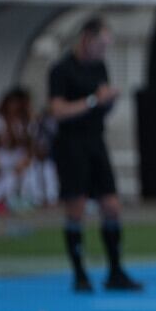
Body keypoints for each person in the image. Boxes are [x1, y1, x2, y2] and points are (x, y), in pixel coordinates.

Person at [48, 18, 142, 293]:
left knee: (111, 205)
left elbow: (100, 107)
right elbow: (57, 111)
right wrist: (92, 101)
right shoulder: (61, 70)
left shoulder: (99, 67)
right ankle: (80, 274)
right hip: (71, 144)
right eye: (101, 44)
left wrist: (107, 102)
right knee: (75, 208)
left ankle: (115, 271)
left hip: (95, 141)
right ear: (86, 39)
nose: (104, 51)